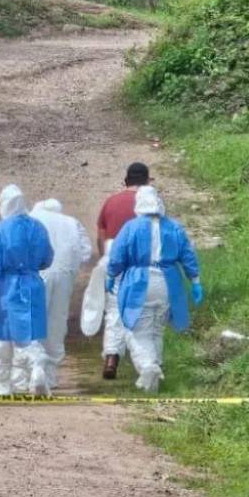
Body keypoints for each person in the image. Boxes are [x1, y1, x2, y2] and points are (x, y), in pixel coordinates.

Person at [106, 186, 203, 393]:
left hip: (140, 282)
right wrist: (195, 281)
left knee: (136, 331)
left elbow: (117, 256)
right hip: (168, 283)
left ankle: (148, 366)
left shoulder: (131, 227)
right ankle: (154, 385)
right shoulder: (174, 227)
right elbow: (187, 255)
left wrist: (111, 275)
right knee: (156, 330)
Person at [0, 185, 54, 396]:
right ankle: (37, 366)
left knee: (2, 336)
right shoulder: (38, 227)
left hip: (5, 287)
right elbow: (47, 259)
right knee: (28, 333)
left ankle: (0, 384)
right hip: (33, 284)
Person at [29, 198, 92, 393]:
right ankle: (51, 375)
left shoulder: (30, 219)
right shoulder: (71, 222)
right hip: (64, 274)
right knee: (56, 322)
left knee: (32, 320)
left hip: (37, 273)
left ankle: (34, 367)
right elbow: (86, 252)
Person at [97, 161, 150, 380]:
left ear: (126, 181)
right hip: (141, 262)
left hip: (114, 260)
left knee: (114, 311)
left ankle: (111, 357)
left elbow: (101, 237)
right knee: (144, 313)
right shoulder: (150, 203)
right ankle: (147, 363)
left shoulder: (111, 202)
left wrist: (106, 261)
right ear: (147, 182)